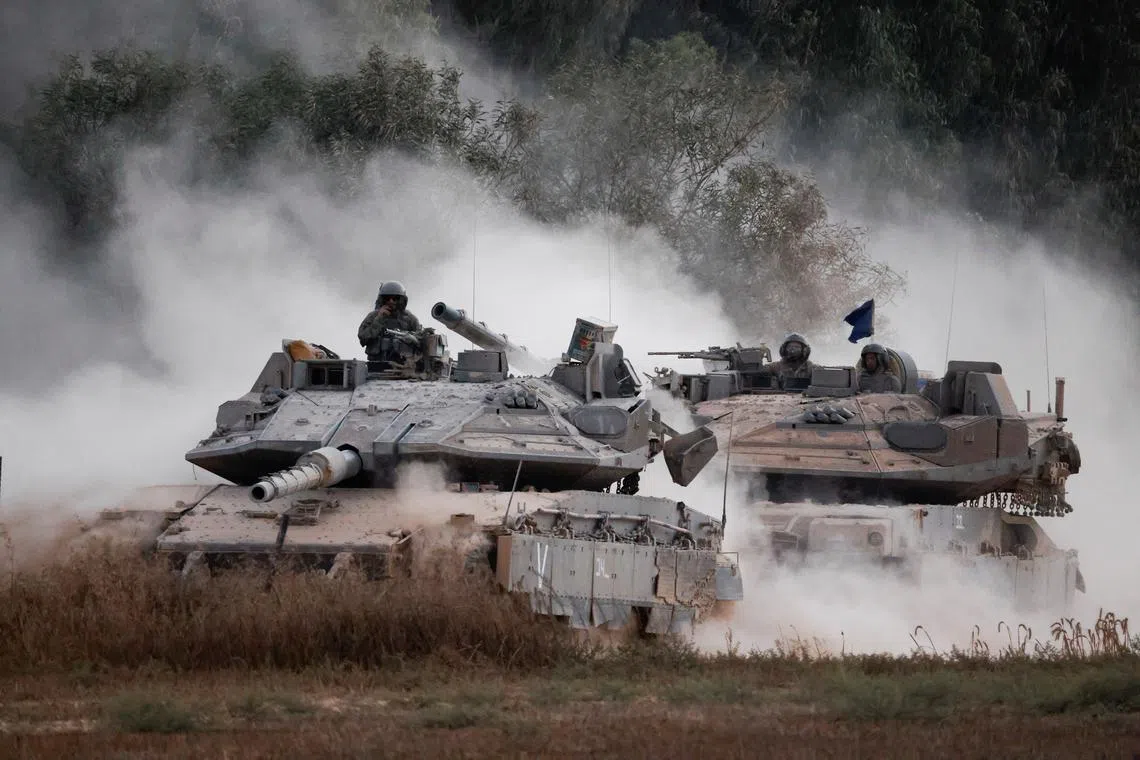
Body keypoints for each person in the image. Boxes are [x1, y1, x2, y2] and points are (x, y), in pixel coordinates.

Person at [358, 281, 423, 363]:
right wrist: (379, 320)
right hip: (375, 365)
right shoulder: (373, 316)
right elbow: (363, 338)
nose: (391, 301)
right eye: (387, 298)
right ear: (382, 299)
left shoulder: (410, 319)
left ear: (402, 300)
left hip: (403, 366)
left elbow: (421, 342)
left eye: (395, 298)